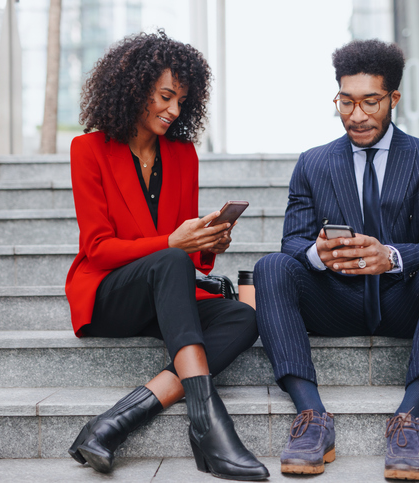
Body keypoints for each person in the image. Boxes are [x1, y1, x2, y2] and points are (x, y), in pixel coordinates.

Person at [254, 39, 419, 480]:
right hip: (337, 300)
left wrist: (390, 257)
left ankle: (409, 419)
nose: (356, 115)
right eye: (346, 102)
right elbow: (290, 241)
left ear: (393, 98)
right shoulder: (312, 163)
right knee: (269, 267)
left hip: (402, 302)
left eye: (370, 102)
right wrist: (318, 254)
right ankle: (312, 418)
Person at [65, 31, 269, 481]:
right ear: (133, 88)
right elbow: (97, 250)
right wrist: (174, 245)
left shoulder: (183, 155)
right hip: (109, 294)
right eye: (164, 96)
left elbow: (185, 258)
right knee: (170, 260)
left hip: (166, 288)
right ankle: (210, 426)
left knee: (244, 318)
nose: (174, 110)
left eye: (181, 101)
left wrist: (208, 243)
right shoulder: (89, 151)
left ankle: (112, 422)